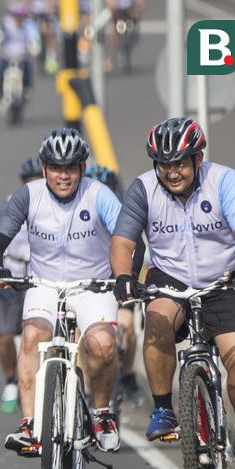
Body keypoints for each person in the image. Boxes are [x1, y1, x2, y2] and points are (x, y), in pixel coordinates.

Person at [109, 118, 235, 469]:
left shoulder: (223, 181)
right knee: (157, 321)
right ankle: (163, 408)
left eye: (179, 163)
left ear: (198, 158)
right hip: (170, 279)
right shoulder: (144, 189)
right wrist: (124, 276)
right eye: (163, 164)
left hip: (224, 281)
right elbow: (123, 242)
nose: (171, 172)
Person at [0, 128, 122, 455]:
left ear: (82, 168)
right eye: (56, 168)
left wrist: (125, 275)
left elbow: (127, 239)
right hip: (44, 284)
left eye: (71, 168)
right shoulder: (28, 195)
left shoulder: (99, 194)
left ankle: (103, 414)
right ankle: (29, 424)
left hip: (92, 285)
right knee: (31, 337)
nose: (63, 175)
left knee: (102, 346)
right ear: (44, 168)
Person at [0, 156, 44, 414]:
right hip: (12, 277)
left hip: (41, 278)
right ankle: (10, 381)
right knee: (6, 338)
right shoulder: (10, 203)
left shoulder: (54, 205)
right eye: (29, 181)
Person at [86, 163, 143, 405]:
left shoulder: (121, 217)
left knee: (126, 324)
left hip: (120, 283)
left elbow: (138, 248)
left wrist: (129, 278)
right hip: (90, 286)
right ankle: (85, 387)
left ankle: (128, 376)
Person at [0, 3, 41, 110]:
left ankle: (27, 89)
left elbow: (34, 39)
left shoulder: (29, 25)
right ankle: (1, 96)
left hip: (23, 57)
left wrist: (34, 50)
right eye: (16, 16)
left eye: (21, 16)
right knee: (0, 74)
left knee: (28, 70)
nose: (19, 19)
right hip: (7, 56)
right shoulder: (6, 24)